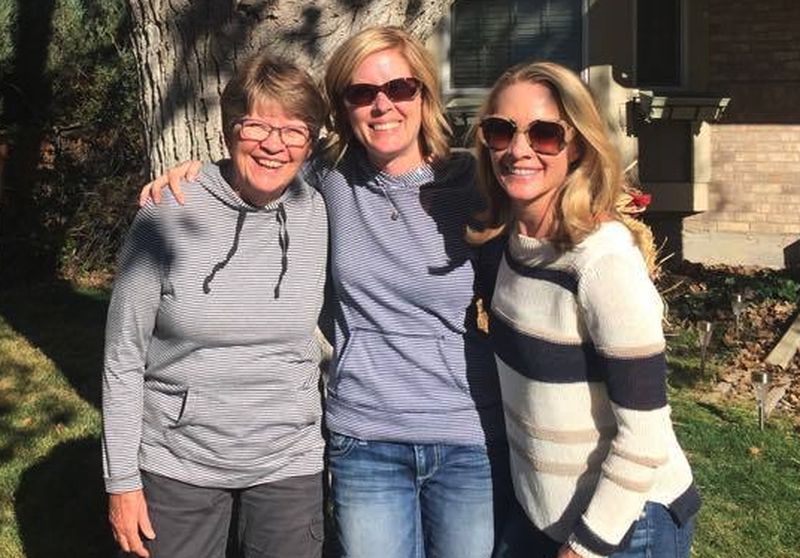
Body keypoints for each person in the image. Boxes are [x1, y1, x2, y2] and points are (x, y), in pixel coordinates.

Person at [141, 26, 511, 558]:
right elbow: (261, 157)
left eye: (399, 89)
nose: (382, 106)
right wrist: (196, 176)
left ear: (424, 94)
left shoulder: (473, 187)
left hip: (467, 431)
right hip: (365, 436)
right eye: (362, 94)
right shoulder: (328, 177)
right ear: (343, 107)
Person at [467, 61, 700, 558]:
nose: (519, 150)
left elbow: (645, 437)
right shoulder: (512, 245)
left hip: (625, 526)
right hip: (540, 516)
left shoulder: (603, 261)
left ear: (576, 146)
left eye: (546, 134)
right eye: (500, 131)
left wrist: (585, 548)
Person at [103, 53, 329, 558]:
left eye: (294, 131)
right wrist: (121, 481)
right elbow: (122, 359)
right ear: (229, 131)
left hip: (287, 462)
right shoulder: (166, 214)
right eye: (256, 126)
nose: (274, 145)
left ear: (310, 144)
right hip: (178, 460)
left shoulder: (318, 208)